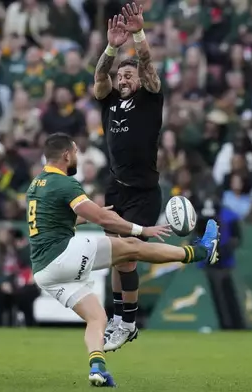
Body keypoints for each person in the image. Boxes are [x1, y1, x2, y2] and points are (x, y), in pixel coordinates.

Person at [26, 133, 219, 387]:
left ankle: (97, 368)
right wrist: (141, 230)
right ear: (66, 155)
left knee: (97, 318)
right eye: (75, 152)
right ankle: (201, 252)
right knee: (132, 247)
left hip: (44, 272)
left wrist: (89, 216)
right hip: (61, 254)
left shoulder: (36, 184)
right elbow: (104, 220)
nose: (77, 157)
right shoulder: (65, 184)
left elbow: (56, 220)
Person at [93, 4, 164, 351]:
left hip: (144, 193)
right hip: (116, 188)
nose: (123, 79)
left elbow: (147, 64)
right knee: (115, 256)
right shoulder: (109, 103)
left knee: (127, 256)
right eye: (121, 76)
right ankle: (119, 320)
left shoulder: (150, 99)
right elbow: (99, 78)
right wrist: (111, 48)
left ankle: (129, 324)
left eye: (128, 76)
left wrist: (137, 35)